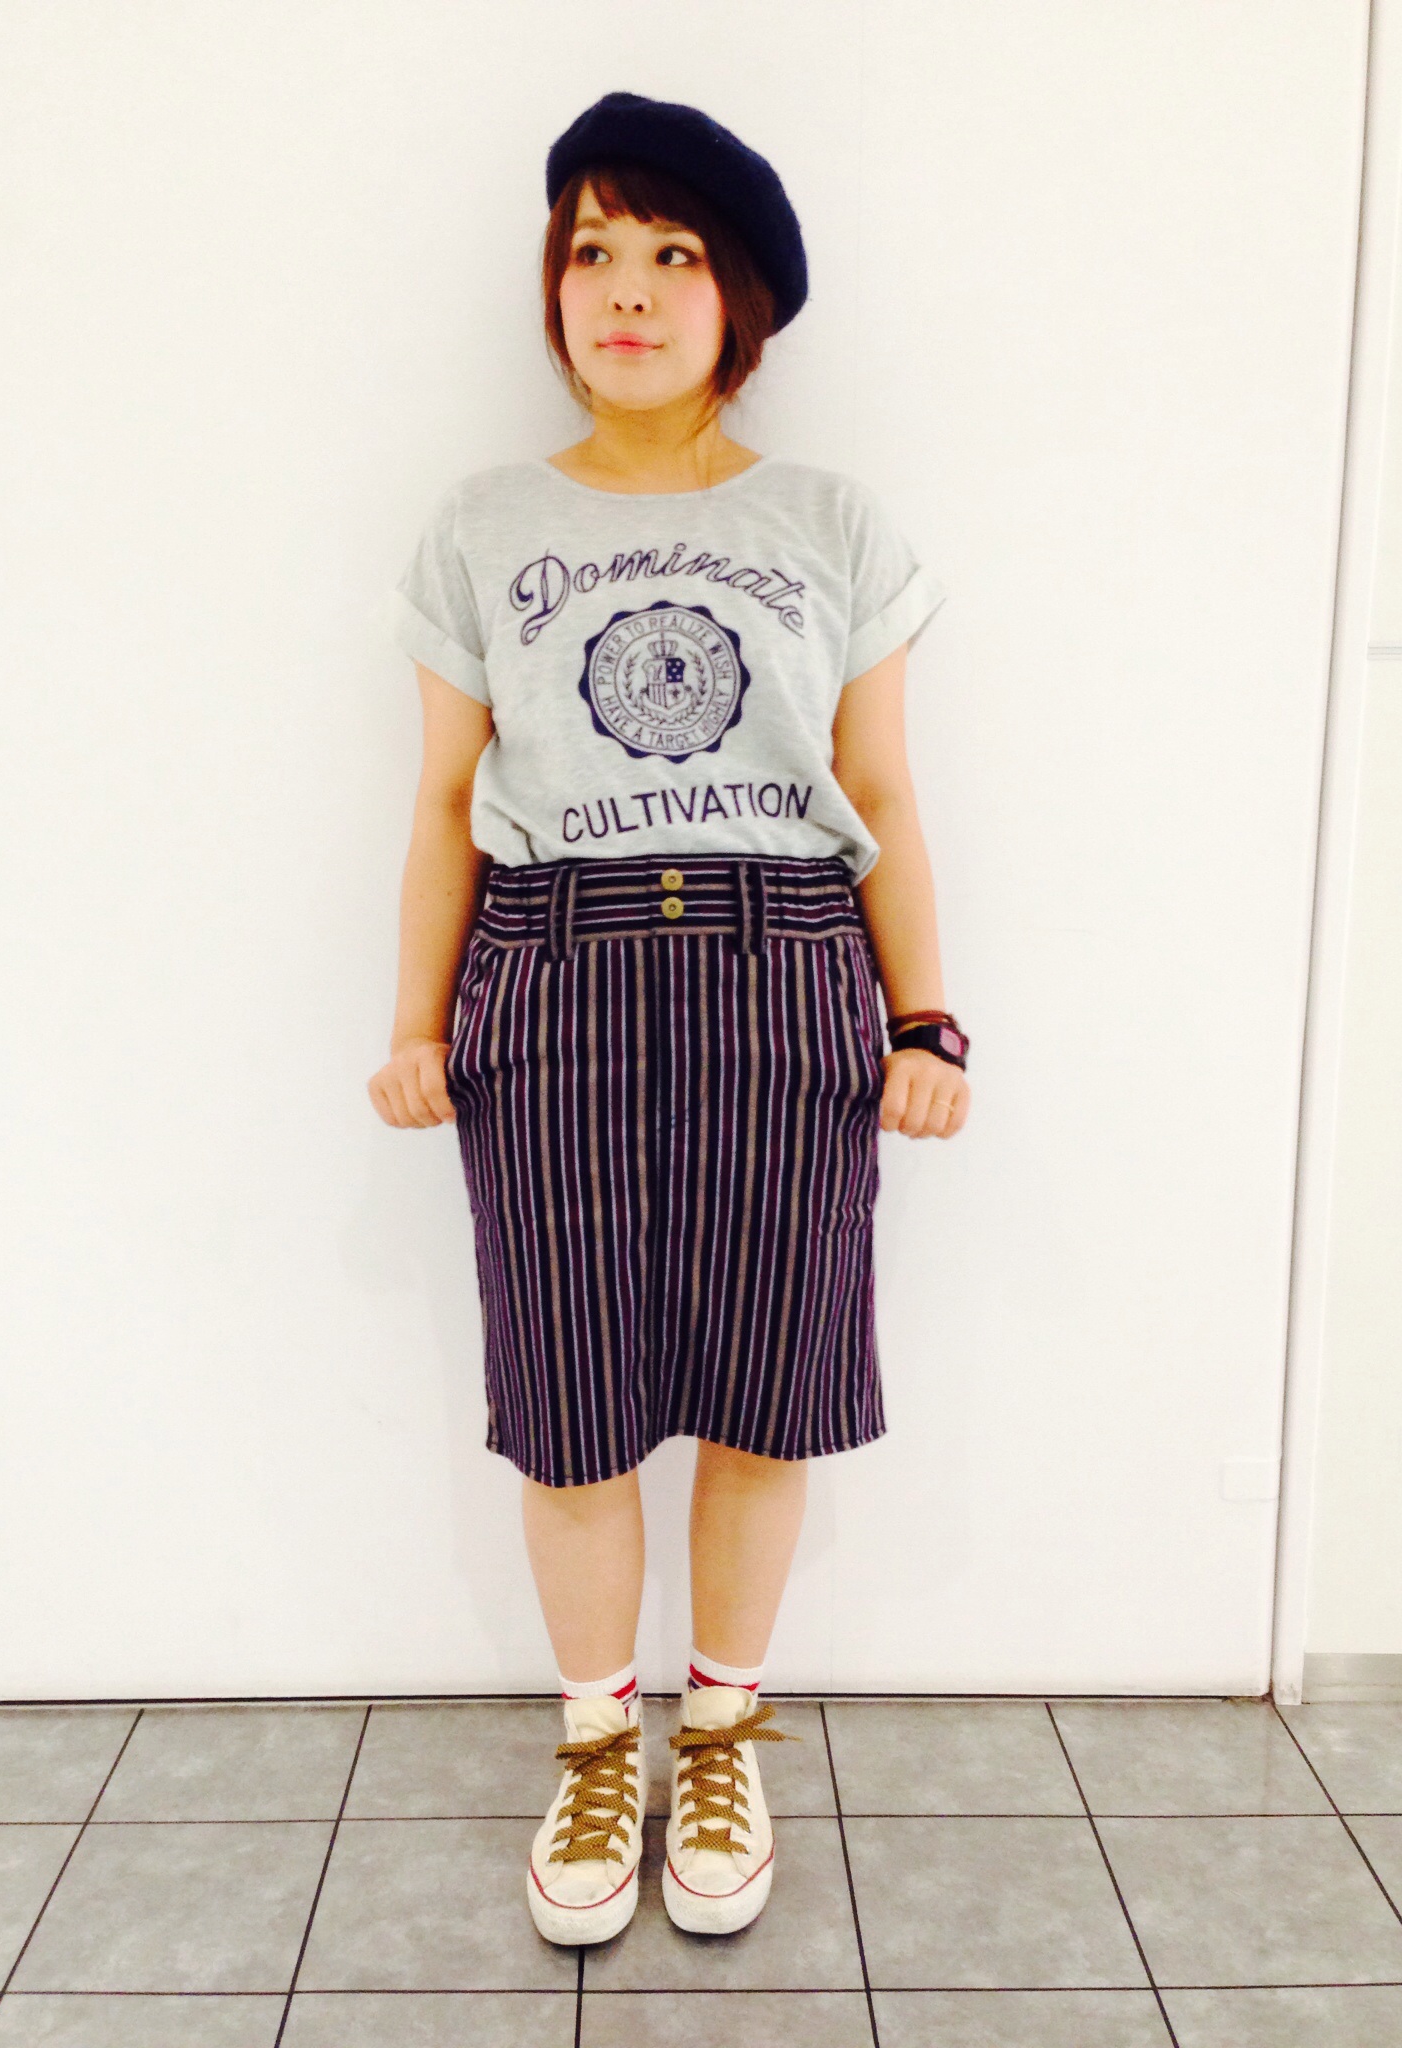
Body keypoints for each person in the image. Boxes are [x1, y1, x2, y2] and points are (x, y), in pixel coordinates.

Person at [367, 89, 970, 1949]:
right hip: (553, 971)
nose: (624, 291)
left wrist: (927, 1020)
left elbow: (884, 786)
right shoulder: (483, 525)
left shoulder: (828, 521)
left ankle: (719, 1732)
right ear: (554, 288)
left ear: (740, 301)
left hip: (787, 966)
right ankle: (592, 1743)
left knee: (764, 1388)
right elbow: (441, 802)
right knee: (572, 1404)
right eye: (592, 251)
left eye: (672, 254)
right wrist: (414, 1025)